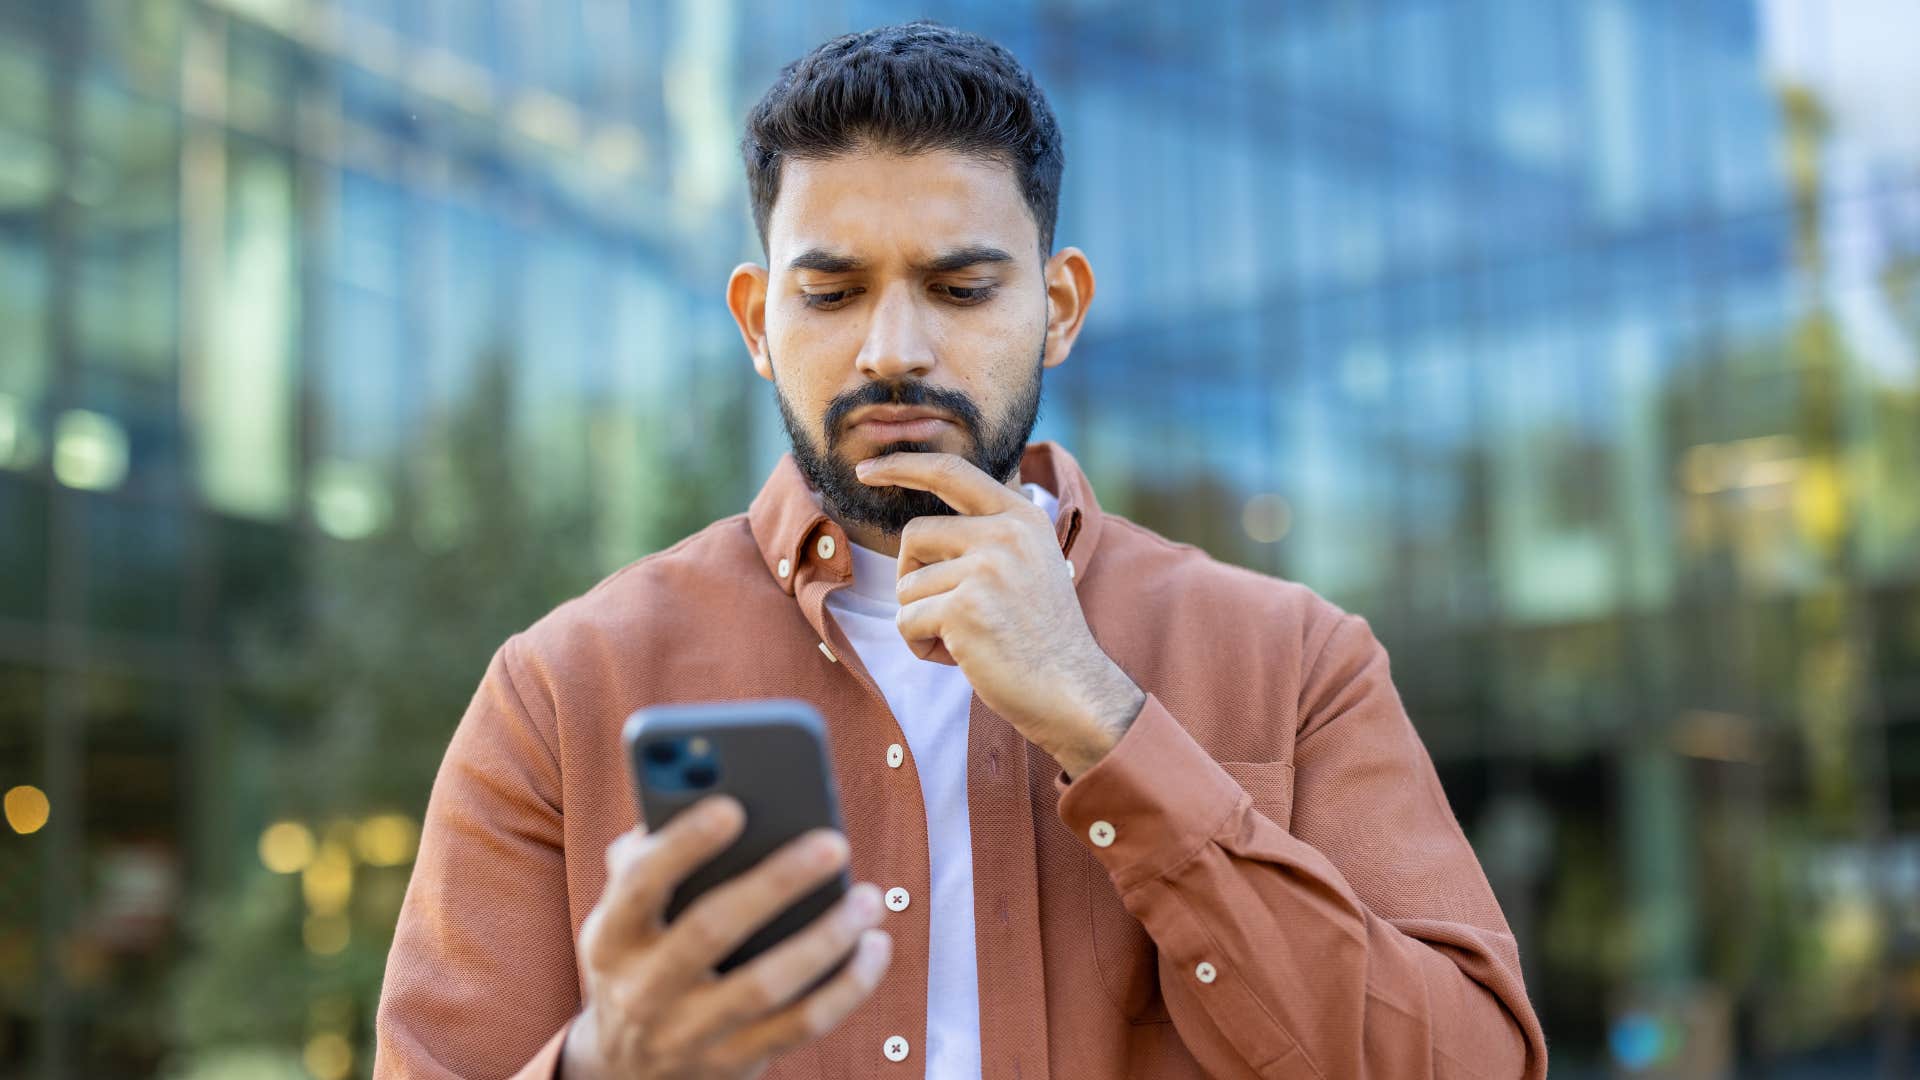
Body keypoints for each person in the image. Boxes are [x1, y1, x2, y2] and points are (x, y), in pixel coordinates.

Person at [374, 20, 1548, 1080]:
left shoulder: (1294, 662)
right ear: (756, 325)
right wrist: (606, 1066)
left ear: (1061, 306)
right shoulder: (562, 691)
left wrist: (1106, 721)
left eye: (960, 286)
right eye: (831, 294)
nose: (896, 348)